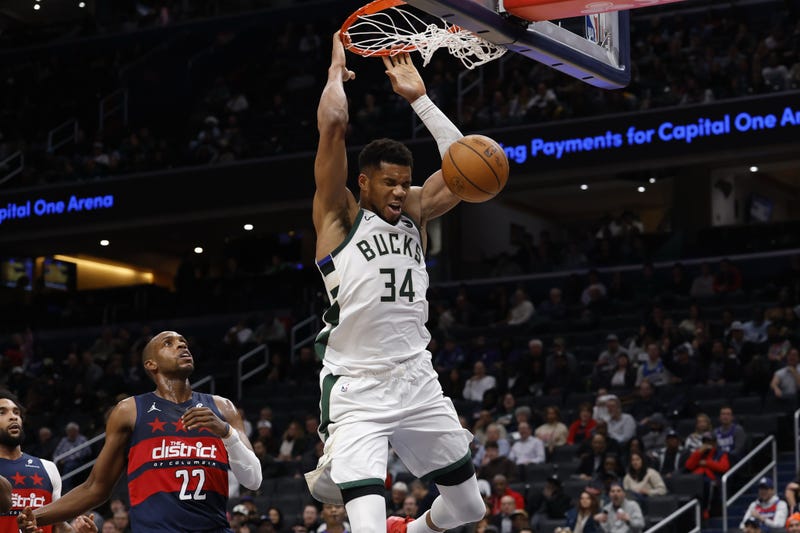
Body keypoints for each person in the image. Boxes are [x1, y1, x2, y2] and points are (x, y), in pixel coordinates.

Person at [304, 33, 486, 533]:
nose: (402, 191)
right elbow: (334, 128)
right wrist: (333, 79)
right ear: (364, 182)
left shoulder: (416, 214)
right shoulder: (339, 217)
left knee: (471, 510)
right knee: (364, 526)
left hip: (415, 377)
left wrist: (421, 99)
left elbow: (464, 167)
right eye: (391, 182)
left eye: (406, 182)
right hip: (358, 386)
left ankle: (413, 529)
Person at [17, 331, 263, 531]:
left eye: (183, 343)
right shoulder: (130, 410)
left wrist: (226, 433)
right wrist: (36, 516)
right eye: (169, 343)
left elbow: (253, 481)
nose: (181, 346)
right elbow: (95, 488)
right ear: (150, 364)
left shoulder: (223, 407)